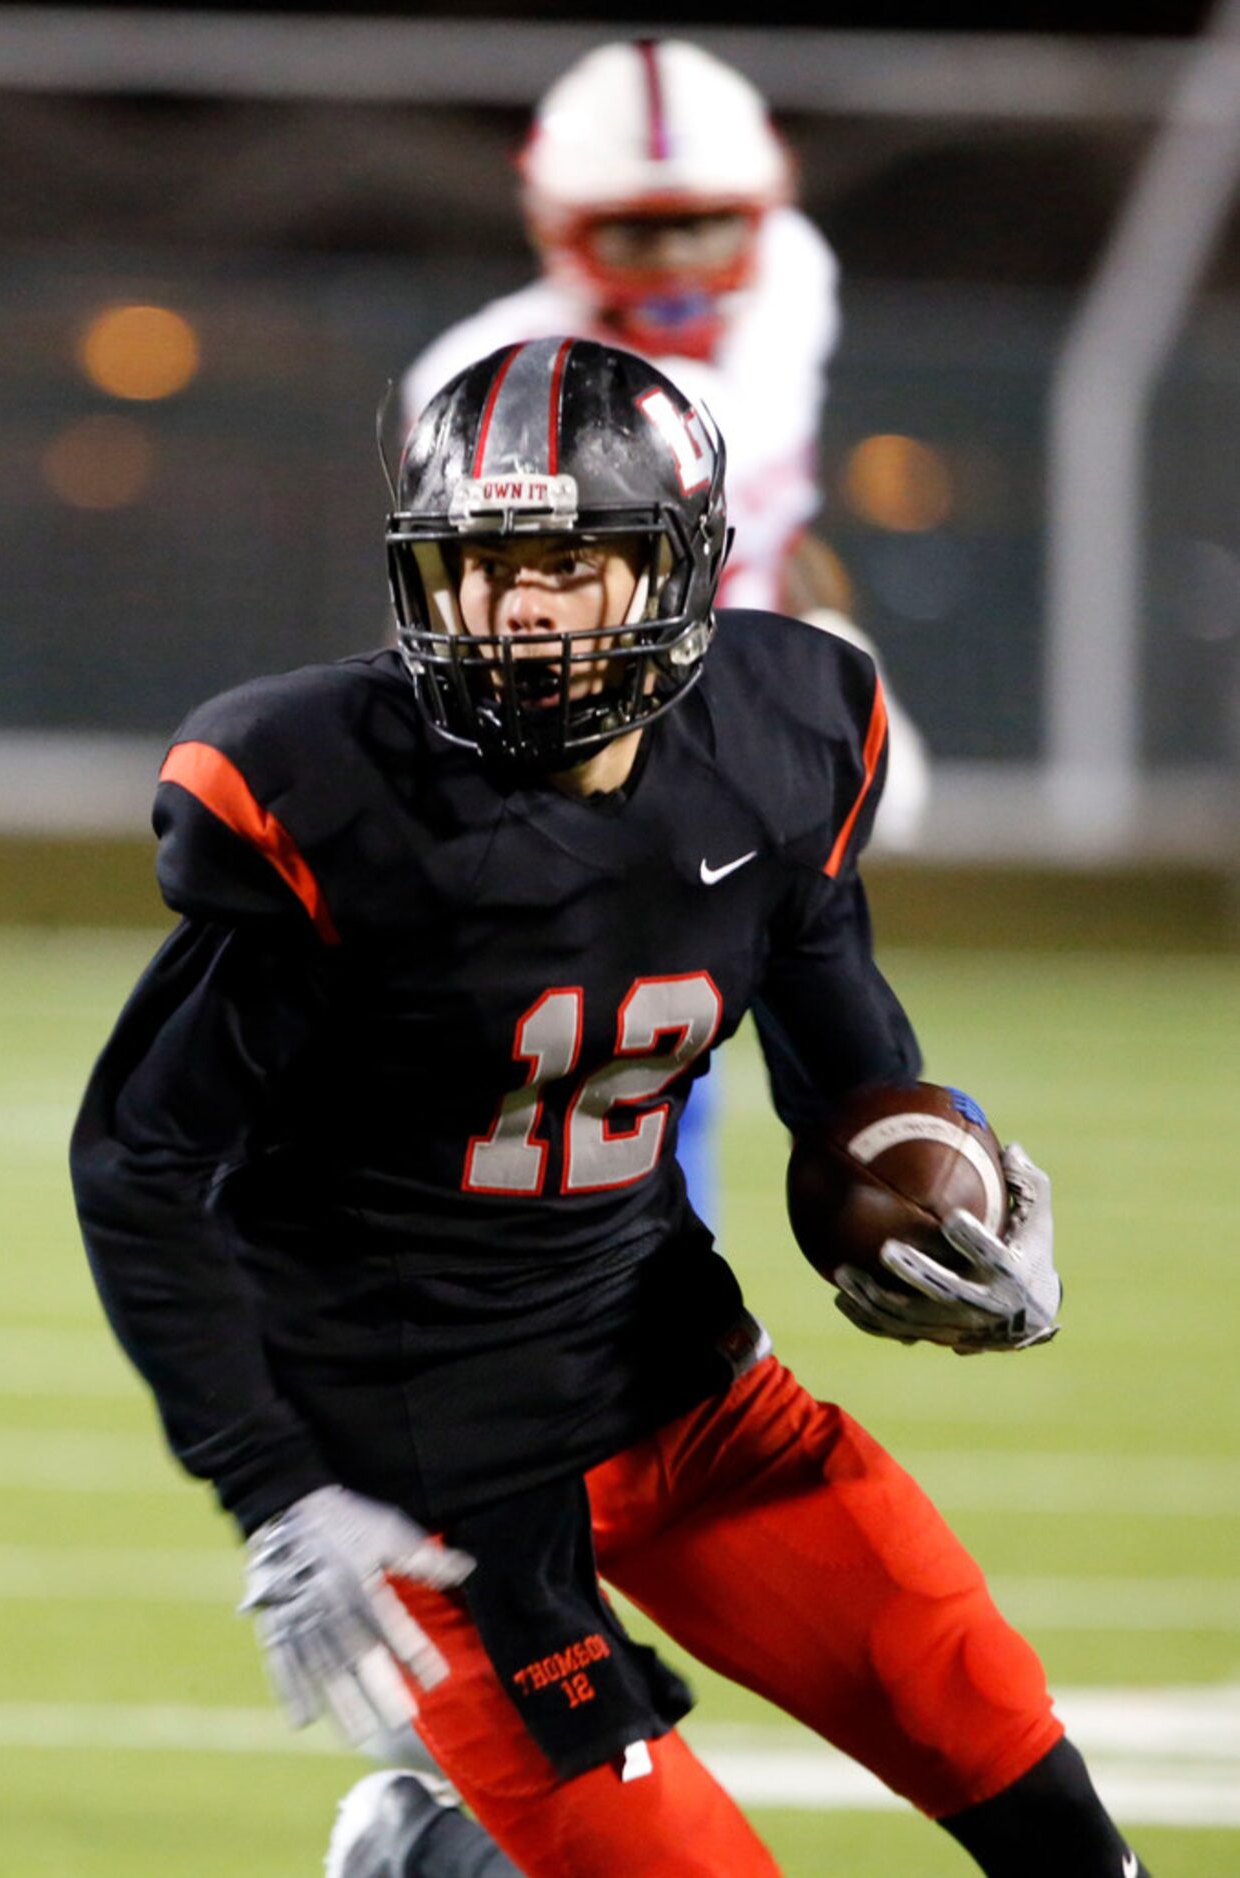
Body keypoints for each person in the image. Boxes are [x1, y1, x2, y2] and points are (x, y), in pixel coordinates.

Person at [71, 340, 1147, 1878]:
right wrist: (272, 1484)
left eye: (567, 563)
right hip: (433, 1475)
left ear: (678, 573)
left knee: (1036, 1797)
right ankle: (441, 1863)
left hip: (685, 1392)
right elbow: (138, 1155)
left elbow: (838, 1034)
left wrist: (949, 1203)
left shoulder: (782, 737)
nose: (515, 607)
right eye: (481, 566)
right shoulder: (328, 797)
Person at [402, 36, 929, 1231]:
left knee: (786, 990)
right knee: (615, 1039)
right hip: (591, 730)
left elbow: (765, 502)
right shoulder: (496, 374)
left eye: (705, 221)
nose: (681, 259)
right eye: (640, 229)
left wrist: (811, 625)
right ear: (560, 222)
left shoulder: (791, 274)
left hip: (746, 690)